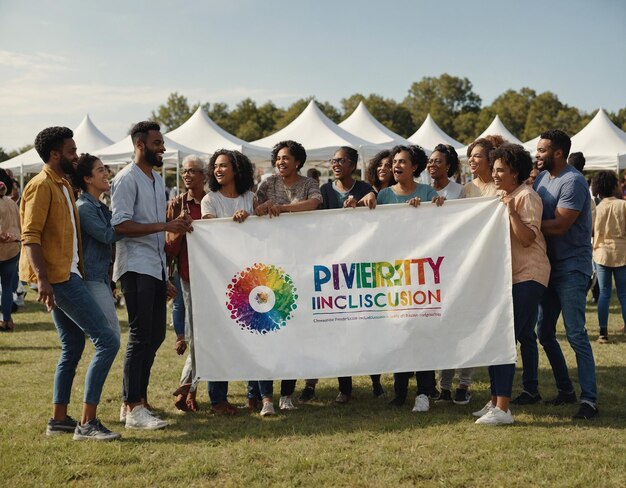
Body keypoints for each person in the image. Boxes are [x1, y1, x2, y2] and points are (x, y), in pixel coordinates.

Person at [21, 127, 120, 440]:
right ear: (54, 154)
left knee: (74, 345)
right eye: (71, 151)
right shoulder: (40, 185)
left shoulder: (63, 184)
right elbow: (31, 236)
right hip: (60, 279)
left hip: (67, 275)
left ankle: (59, 419)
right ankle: (87, 424)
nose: (76, 156)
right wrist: (44, 281)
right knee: (107, 340)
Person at [111, 121, 193, 430]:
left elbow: (161, 227)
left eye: (162, 142)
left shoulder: (157, 180)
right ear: (139, 145)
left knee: (156, 334)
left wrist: (176, 225)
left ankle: (134, 401)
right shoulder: (126, 179)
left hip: (155, 268)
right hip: (134, 266)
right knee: (140, 334)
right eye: (157, 142)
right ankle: (134, 407)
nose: (162, 147)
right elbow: (119, 225)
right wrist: (165, 226)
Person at [472, 143, 549, 425]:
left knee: (504, 339)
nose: (494, 175)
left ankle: (503, 408)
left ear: (515, 172)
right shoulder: (505, 196)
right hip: (510, 278)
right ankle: (495, 401)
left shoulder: (526, 196)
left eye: (500, 170)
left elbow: (528, 238)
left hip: (529, 275)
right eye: (493, 170)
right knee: (500, 337)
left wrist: (511, 211)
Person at [534, 129, 598, 420]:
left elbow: (559, 225)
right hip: (548, 267)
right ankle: (565, 390)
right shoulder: (541, 179)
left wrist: (525, 223)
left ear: (558, 153)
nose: (537, 155)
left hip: (572, 268)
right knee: (544, 332)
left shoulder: (574, 181)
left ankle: (590, 400)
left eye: (542, 150)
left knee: (576, 334)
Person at [376, 145, 444, 413]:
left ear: (414, 167)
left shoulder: (427, 193)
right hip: (393, 275)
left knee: (421, 333)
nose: (396, 166)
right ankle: (400, 391)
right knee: (399, 333)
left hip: (420, 275)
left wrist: (433, 207)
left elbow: (439, 224)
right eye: (394, 161)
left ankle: (425, 392)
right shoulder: (382, 195)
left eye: (402, 161)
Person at [255, 140, 322, 409]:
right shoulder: (266, 184)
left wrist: (282, 209)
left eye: (286, 158)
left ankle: (286, 395)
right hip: (270, 265)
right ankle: (266, 398)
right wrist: (260, 209)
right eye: (278, 158)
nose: (281, 162)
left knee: (294, 329)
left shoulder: (308, 184)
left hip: (299, 263)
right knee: (268, 328)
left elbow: (315, 204)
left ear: (298, 162)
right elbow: (255, 208)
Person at [318, 146, 382, 403]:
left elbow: (377, 217)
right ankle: (345, 388)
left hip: (363, 267)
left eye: (341, 160)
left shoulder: (366, 188)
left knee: (369, 326)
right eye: (333, 160)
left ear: (353, 164)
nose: (335, 164)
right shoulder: (323, 192)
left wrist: (369, 201)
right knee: (340, 328)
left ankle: (376, 382)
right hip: (334, 269)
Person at [201, 150, 259, 414]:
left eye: (224, 165)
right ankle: (218, 399)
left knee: (252, 333)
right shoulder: (209, 200)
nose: (218, 170)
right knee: (220, 337)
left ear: (236, 169)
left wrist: (255, 216)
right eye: (215, 166)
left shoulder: (250, 198)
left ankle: (254, 394)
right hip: (219, 278)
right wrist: (233, 222)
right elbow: (210, 233)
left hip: (249, 277)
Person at [425, 144, 474, 405]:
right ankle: (443, 386)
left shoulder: (459, 191)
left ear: (449, 166)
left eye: (437, 161)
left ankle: (463, 384)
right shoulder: (421, 191)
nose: (432, 165)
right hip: (430, 271)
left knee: (460, 327)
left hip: (455, 266)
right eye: (430, 161)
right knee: (439, 328)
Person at [165, 155, 207, 413]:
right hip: (189, 276)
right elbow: (169, 247)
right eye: (184, 172)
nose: (187, 176)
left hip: (219, 277)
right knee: (198, 338)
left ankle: (188, 389)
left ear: (204, 175)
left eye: (192, 171)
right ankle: (188, 389)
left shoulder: (214, 201)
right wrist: (179, 227)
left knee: (206, 336)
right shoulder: (176, 204)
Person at [72, 154, 123, 346]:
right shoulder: (85, 207)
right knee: (111, 337)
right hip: (91, 279)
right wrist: (132, 227)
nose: (106, 174)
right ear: (87, 178)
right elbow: (107, 235)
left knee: (109, 337)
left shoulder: (99, 206)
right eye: (100, 170)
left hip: (100, 277)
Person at [590, 171, 626, 343]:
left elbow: (592, 231)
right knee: (624, 295)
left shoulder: (597, 207)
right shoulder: (623, 205)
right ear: (613, 185)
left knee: (604, 293)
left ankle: (603, 333)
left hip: (601, 254)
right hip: (622, 254)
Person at [0, 170, 20, 332]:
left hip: (3, 246)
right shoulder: (12, 203)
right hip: (13, 250)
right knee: (7, 287)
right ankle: (7, 319)